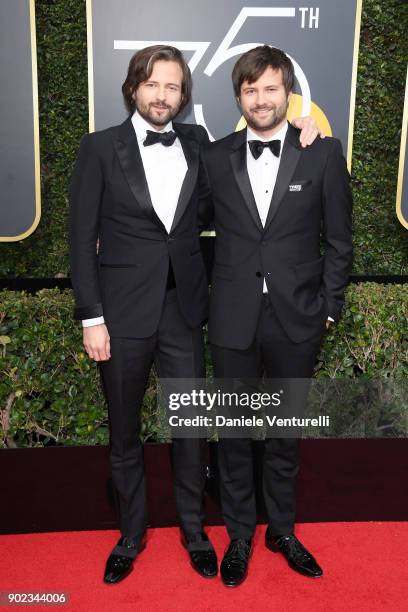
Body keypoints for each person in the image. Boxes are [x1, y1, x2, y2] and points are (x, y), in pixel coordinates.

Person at [69, 44, 321, 585]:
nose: (162, 96)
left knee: (189, 428)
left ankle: (194, 532)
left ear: (184, 97)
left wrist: (306, 133)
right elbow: (79, 239)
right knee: (126, 433)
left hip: (184, 312)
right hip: (119, 315)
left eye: (173, 87)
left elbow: (247, 196)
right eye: (153, 85)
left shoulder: (200, 144)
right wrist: (91, 317)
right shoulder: (98, 148)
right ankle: (131, 534)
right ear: (134, 87)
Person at [202, 45, 353, 587]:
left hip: (298, 317)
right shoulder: (215, 157)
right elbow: (179, 226)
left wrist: (329, 310)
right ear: (238, 96)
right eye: (250, 89)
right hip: (232, 316)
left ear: (288, 92)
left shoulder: (323, 152)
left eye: (270, 88)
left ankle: (282, 530)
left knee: (285, 432)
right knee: (236, 431)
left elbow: (339, 240)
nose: (260, 99)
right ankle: (240, 534)